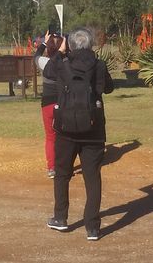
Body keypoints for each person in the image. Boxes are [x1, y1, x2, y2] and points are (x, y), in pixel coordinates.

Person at [43, 27, 114, 241]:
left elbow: (47, 73)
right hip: (93, 129)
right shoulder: (99, 65)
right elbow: (109, 88)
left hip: (65, 129)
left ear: (70, 44)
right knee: (92, 177)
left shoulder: (63, 64)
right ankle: (92, 227)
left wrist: (60, 52)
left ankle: (60, 218)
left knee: (63, 174)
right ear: (90, 45)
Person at [34, 30, 65, 179]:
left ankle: (52, 168)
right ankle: (64, 165)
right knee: (64, 135)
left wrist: (44, 43)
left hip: (47, 103)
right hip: (63, 103)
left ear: (48, 48)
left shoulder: (43, 63)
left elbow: (36, 55)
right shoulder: (67, 63)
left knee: (50, 137)